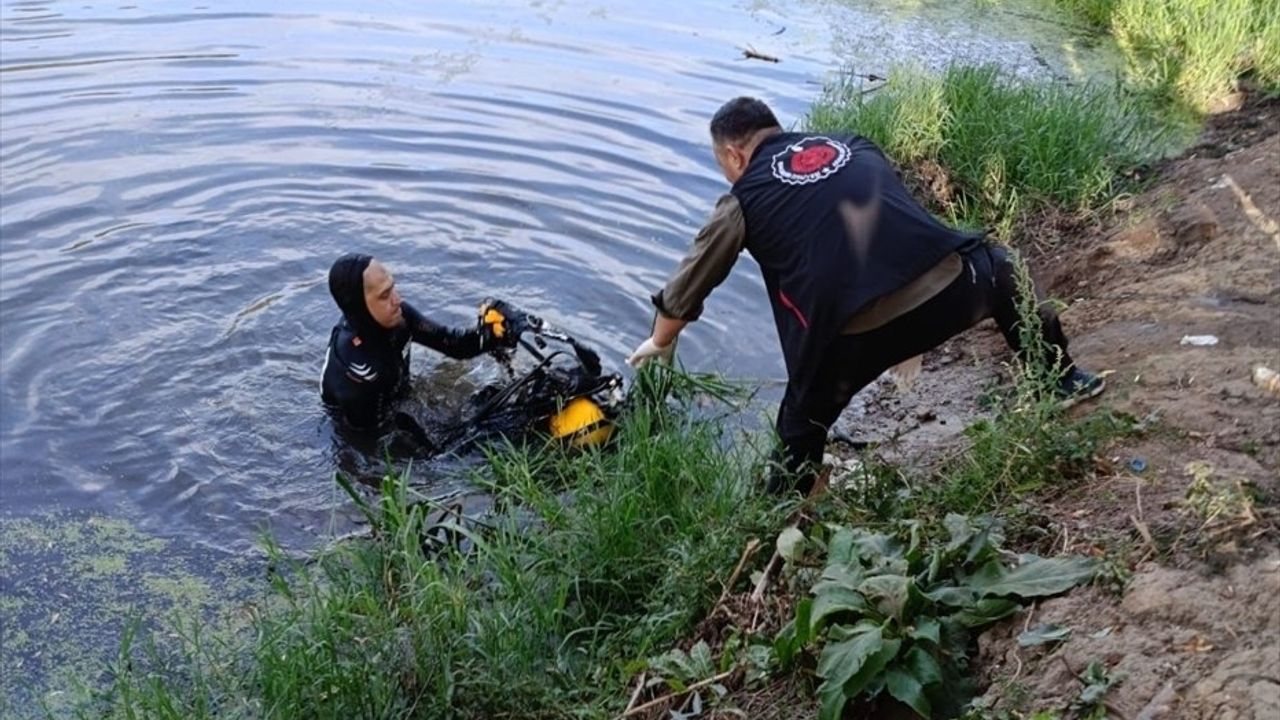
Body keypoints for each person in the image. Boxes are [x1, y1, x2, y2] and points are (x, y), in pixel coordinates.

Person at [627, 97, 1104, 494]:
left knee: (798, 426)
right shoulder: (852, 143)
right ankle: (1059, 380)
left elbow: (691, 283)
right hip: (951, 294)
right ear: (778, 130)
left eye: (724, 168)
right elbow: (895, 222)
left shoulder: (743, 197)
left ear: (734, 156)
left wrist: (662, 341)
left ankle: (783, 514)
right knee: (1005, 268)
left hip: (850, 341)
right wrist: (915, 331)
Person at [320, 253, 514, 433]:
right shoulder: (358, 372)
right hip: (359, 424)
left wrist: (496, 333)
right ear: (359, 308)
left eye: (392, 287)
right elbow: (370, 442)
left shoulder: (396, 317)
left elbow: (453, 344)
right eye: (384, 296)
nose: (398, 300)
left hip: (394, 395)